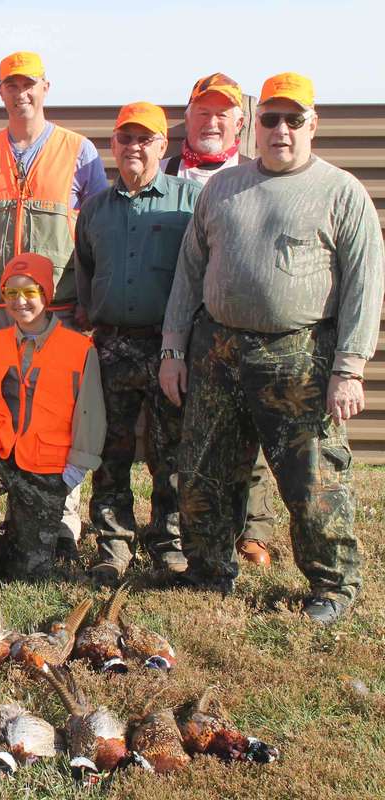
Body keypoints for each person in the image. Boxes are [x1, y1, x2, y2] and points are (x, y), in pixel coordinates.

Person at [159, 73, 384, 624]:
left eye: (293, 119)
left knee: (313, 479)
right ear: (254, 124)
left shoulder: (341, 192)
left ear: (313, 124)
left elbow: (364, 285)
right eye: (270, 119)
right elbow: (189, 275)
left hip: (300, 357)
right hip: (217, 352)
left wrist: (349, 368)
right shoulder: (222, 188)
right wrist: (173, 349)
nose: (280, 130)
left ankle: (333, 585)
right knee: (203, 471)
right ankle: (210, 572)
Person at [0, 50, 107, 557]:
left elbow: (97, 233)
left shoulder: (78, 151)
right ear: (0, 93)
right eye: (11, 85)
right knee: (2, 402)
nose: (21, 94)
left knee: (60, 410)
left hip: (59, 304)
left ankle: (62, 517)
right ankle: (6, 505)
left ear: (46, 88)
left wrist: (90, 300)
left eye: (30, 84)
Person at [74, 102, 201, 582]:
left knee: (170, 451)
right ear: (113, 146)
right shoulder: (95, 209)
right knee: (112, 450)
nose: (134, 147)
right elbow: (84, 274)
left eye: (144, 139)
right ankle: (114, 544)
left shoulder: (188, 201)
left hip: (171, 348)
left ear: (162, 146)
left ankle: (168, 542)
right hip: (110, 347)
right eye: (125, 138)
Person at [161, 72, 274, 568]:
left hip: (238, 327)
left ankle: (254, 529)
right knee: (178, 436)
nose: (211, 121)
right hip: (176, 319)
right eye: (201, 112)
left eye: (221, 114)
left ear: (240, 122)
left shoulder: (261, 173)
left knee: (250, 429)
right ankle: (171, 530)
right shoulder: (161, 171)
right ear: (186, 118)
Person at [0, 253, 104, 579]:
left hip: (47, 469)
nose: (20, 301)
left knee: (28, 572)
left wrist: (71, 475)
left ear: (46, 294)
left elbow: (92, 416)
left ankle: (12, 543)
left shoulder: (80, 350)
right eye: (11, 293)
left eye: (29, 292)